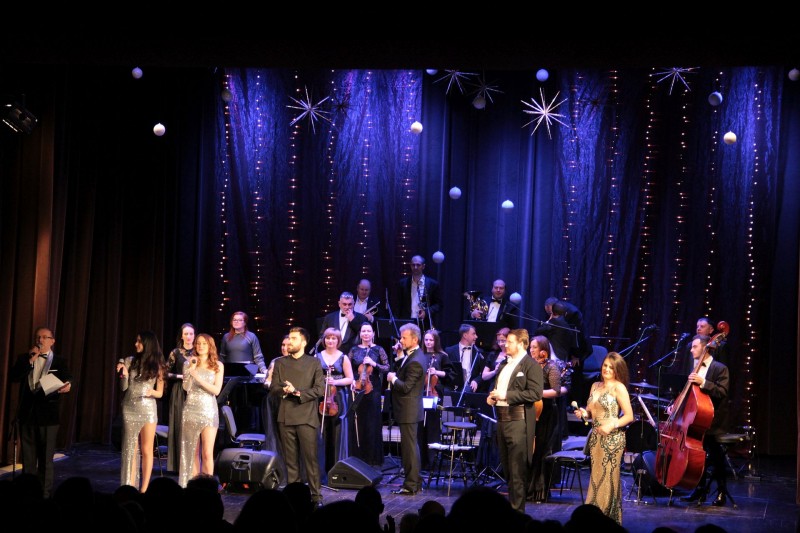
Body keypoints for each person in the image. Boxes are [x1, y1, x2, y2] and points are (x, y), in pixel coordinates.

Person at [9, 327, 73, 498]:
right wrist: (30, 360)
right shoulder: (24, 358)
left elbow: (68, 378)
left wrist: (68, 385)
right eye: (38, 337)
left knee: (45, 459)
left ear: (52, 341)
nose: (40, 340)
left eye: (45, 337)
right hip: (27, 415)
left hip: (48, 416)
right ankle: (28, 494)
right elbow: (14, 377)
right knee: (28, 459)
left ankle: (44, 495)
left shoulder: (59, 361)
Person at [574, 352, 634, 525]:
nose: (606, 369)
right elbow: (591, 412)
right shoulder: (595, 386)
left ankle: (606, 520)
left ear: (617, 370)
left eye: (611, 367)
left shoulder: (618, 388)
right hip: (596, 438)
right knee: (596, 477)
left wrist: (611, 424)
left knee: (607, 478)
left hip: (613, 439)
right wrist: (584, 414)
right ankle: (593, 518)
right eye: (605, 365)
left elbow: (629, 416)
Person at [487, 328, 543, 513]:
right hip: (502, 421)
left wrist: (506, 395)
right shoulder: (504, 364)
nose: (505, 345)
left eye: (509, 342)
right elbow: (499, 389)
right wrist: (493, 397)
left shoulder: (531, 365)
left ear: (521, 344)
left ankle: (517, 515)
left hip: (518, 422)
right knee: (508, 471)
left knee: (517, 470)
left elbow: (535, 393)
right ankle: (511, 512)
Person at [270, 327, 325, 507]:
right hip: (286, 417)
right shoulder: (280, 363)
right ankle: (294, 498)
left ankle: (316, 497)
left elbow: (319, 389)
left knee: (310, 460)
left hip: (307, 417)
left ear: (303, 342)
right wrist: (284, 390)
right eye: (289, 338)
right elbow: (274, 388)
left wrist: (297, 392)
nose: (289, 342)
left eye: (294, 338)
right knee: (291, 461)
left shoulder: (314, 362)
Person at [677, 333, 731, 506]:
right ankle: (699, 490)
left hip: (713, 422)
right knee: (697, 457)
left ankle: (721, 492)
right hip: (696, 419)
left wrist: (704, 382)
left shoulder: (720, 368)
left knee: (716, 457)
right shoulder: (695, 367)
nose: (691, 350)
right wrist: (675, 405)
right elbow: (689, 394)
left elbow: (722, 392)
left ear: (705, 348)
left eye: (695, 346)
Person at [117, 330, 166, 492]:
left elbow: (160, 393)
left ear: (147, 344)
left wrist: (151, 392)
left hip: (148, 408)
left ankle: (144, 489)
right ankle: (128, 486)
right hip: (129, 407)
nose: (136, 344)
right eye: (136, 341)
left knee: (146, 449)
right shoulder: (130, 361)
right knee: (130, 448)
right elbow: (124, 388)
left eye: (139, 341)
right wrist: (124, 375)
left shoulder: (158, 365)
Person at [527, 335, 570, 502]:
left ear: (543, 350)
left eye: (534, 347)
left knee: (541, 449)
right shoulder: (529, 365)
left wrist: (537, 393)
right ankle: (527, 488)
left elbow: (556, 390)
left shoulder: (551, 367)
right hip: (531, 410)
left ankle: (539, 490)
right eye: (530, 347)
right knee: (529, 450)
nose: (531, 350)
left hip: (546, 413)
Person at [179, 333, 224, 487]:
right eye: (198, 343)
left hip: (208, 410)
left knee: (207, 452)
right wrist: (191, 370)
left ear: (210, 346)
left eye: (204, 343)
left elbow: (216, 390)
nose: (200, 346)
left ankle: (208, 487)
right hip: (190, 409)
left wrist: (198, 378)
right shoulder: (188, 363)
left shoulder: (218, 365)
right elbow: (186, 387)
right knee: (192, 452)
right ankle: (193, 487)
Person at [386, 323, 426, 495]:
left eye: (404, 338)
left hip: (408, 409)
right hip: (408, 409)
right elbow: (405, 369)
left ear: (414, 340)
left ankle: (411, 485)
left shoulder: (416, 361)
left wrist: (392, 378)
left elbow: (406, 386)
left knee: (409, 449)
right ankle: (415, 482)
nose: (401, 340)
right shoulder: (414, 355)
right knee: (411, 447)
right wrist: (398, 356)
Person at [348, 322, 390, 467]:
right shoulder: (354, 349)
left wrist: (374, 363)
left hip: (373, 389)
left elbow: (387, 368)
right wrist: (352, 380)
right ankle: (358, 457)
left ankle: (373, 458)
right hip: (358, 387)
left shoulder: (378, 349)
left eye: (368, 331)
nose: (366, 334)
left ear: (373, 334)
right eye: (363, 331)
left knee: (372, 422)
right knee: (358, 422)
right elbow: (348, 368)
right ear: (360, 334)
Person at [316, 327, 354, 481]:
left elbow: (350, 378)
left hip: (337, 398)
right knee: (322, 431)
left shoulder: (343, 357)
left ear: (338, 341)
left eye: (333, 338)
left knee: (337, 432)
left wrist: (335, 382)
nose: (330, 341)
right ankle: (321, 471)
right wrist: (322, 381)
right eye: (328, 338)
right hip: (321, 397)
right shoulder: (317, 356)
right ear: (324, 340)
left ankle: (336, 470)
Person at [220, 310, 266, 434]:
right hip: (230, 376)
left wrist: (264, 370)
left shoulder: (251, 336)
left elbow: (258, 357)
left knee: (246, 407)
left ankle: (247, 432)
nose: (237, 322)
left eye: (240, 320)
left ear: (245, 322)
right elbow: (222, 356)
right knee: (231, 406)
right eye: (234, 320)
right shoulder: (226, 337)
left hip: (247, 377)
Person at [419, 329, 454, 469]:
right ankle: (420, 460)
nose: (428, 342)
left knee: (432, 427)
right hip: (420, 394)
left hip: (434, 394)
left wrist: (436, 372)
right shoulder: (420, 355)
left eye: (431, 340)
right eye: (426, 340)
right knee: (420, 427)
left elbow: (451, 375)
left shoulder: (442, 356)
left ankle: (432, 460)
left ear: (436, 341)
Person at [164, 322, 195, 473]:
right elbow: (165, 372)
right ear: (181, 336)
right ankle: (177, 465)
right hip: (179, 391)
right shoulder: (176, 352)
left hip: (195, 391)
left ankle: (192, 465)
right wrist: (180, 376)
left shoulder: (198, 352)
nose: (189, 337)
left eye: (191, 334)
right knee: (179, 424)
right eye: (186, 334)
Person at [396, 255, 442, 331]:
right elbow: (398, 304)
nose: (415, 267)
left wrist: (426, 312)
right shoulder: (402, 283)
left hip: (424, 322)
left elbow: (439, 304)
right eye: (413, 265)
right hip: (407, 322)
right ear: (410, 266)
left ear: (423, 266)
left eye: (418, 265)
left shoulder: (432, 284)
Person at [319, 291, 367, 356]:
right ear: (339, 304)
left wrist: (353, 320)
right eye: (344, 304)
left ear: (354, 304)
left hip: (353, 355)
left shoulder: (361, 318)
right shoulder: (329, 317)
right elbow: (322, 336)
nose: (347, 307)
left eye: (350, 304)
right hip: (333, 353)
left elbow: (363, 336)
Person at [445, 323, 486, 394]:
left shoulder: (479, 352)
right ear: (465, 335)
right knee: (445, 392)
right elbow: (447, 369)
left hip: (470, 386)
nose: (476, 336)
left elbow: (483, 372)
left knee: (467, 391)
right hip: (453, 385)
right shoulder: (450, 351)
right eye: (473, 334)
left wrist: (476, 381)